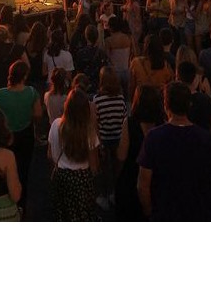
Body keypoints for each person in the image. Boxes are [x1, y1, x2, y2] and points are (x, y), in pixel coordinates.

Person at [137, 81, 211, 221]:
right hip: (200, 212)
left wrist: (149, 211)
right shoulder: (206, 139)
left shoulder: (153, 137)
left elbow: (143, 184)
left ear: (165, 105)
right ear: (189, 105)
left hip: (165, 213)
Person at [0, 58, 43, 218]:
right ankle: (21, 204)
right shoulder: (31, 92)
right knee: (23, 169)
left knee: (4, 169)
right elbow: (38, 114)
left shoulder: (0, 94)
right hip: (25, 135)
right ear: (24, 76)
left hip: (5, 136)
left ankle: (5, 201)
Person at [47, 88, 99, 221]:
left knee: (63, 212)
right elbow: (94, 165)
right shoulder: (89, 131)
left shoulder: (56, 125)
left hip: (62, 176)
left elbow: (50, 154)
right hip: (82, 178)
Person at [114, 84, 165, 221]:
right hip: (156, 180)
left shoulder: (130, 123)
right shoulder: (162, 124)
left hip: (131, 179)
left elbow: (121, 155)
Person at [91, 67, 127, 210]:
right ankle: (116, 194)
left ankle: (104, 196)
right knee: (118, 169)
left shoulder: (97, 100)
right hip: (118, 137)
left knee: (105, 169)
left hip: (104, 139)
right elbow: (124, 118)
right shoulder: (120, 98)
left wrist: (98, 142)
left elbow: (95, 123)